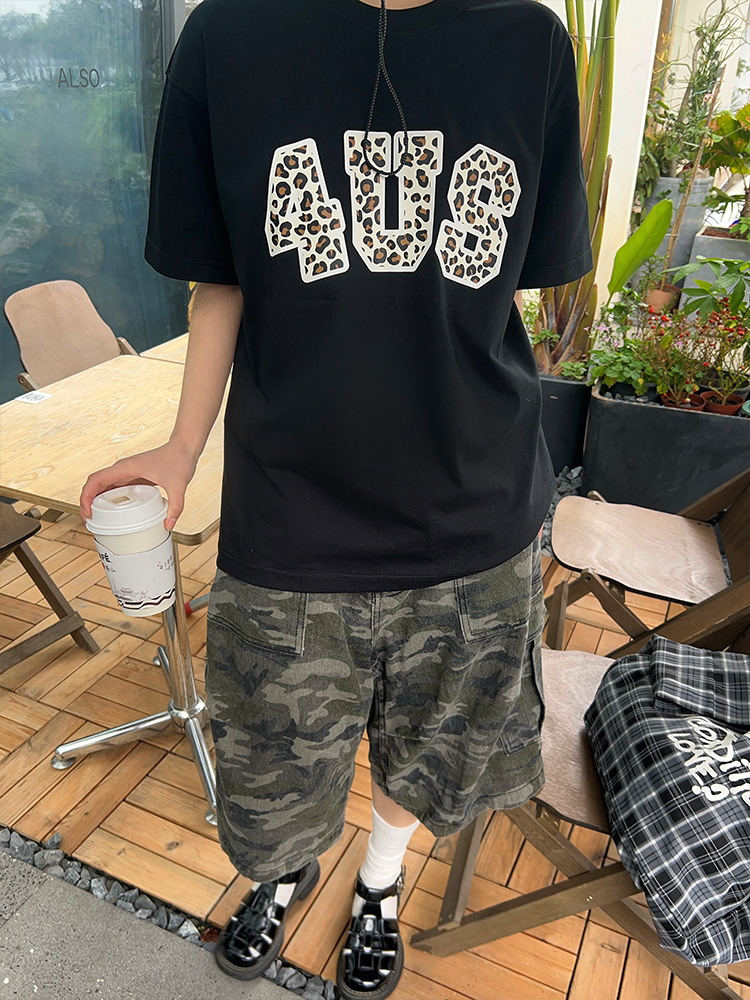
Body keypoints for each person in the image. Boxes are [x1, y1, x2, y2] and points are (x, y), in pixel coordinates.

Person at [79, 0, 593, 996]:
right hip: (289, 514)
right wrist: (181, 450)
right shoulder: (227, 39)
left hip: (474, 516)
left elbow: (502, 287)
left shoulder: (528, 43)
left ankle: (379, 885)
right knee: (271, 769)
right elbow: (221, 281)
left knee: (431, 750)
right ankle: (281, 874)